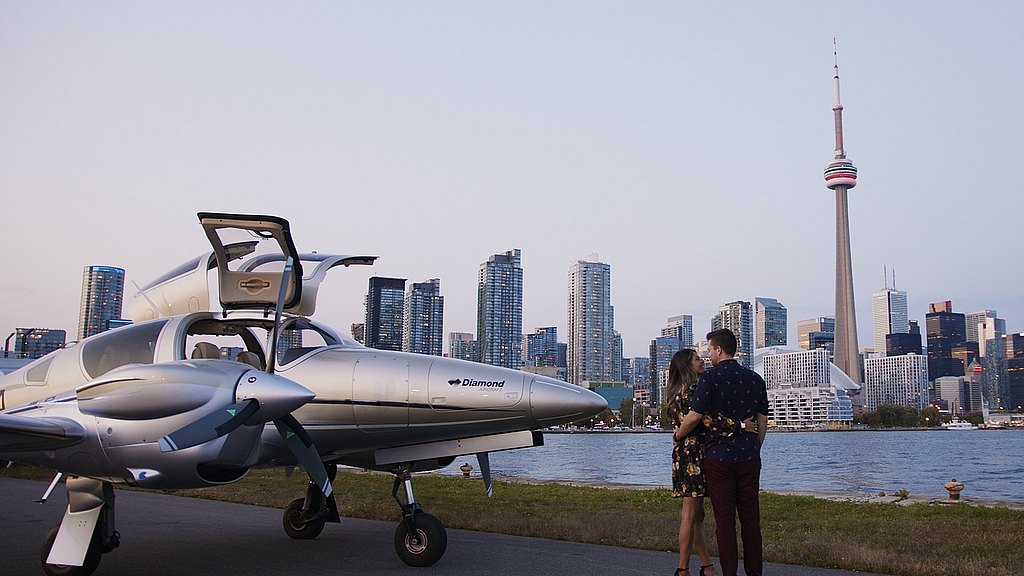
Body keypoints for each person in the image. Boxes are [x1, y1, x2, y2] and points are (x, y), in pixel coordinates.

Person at [676, 329, 768, 576]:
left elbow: (695, 415)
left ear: (718, 350)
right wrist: (755, 446)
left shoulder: (710, 379)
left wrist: (677, 435)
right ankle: (754, 573)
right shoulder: (756, 379)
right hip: (749, 457)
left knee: (725, 523)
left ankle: (729, 573)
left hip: (719, 459)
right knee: (751, 520)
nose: (708, 355)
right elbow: (762, 420)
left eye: (709, 350)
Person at [667, 348, 746, 576]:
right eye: (697, 359)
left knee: (697, 516)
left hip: (683, 453)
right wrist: (739, 425)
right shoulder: (693, 389)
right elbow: (708, 418)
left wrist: (677, 435)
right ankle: (682, 569)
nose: (702, 361)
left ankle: (707, 566)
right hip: (695, 454)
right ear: (688, 365)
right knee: (690, 515)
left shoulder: (674, 392)